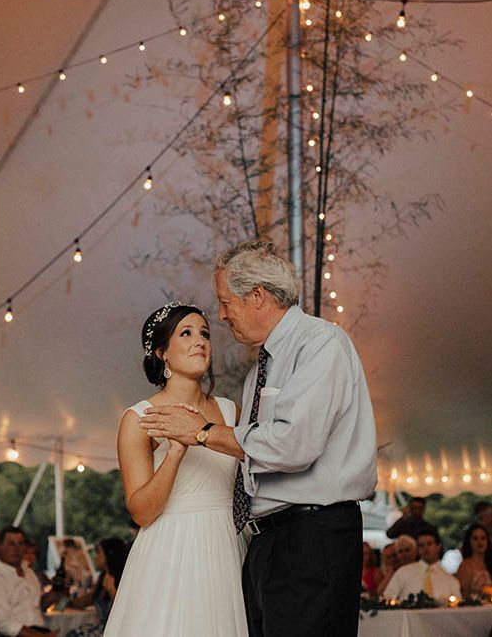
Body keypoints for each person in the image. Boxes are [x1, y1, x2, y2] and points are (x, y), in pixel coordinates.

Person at [140, 241, 377, 637]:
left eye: (225, 301)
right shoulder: (259, 370)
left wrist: (201, 433)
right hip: (267, 543)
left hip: (312, 537)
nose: (221, 315)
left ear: (257, 296)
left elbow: (292, 445)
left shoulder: (320, 344)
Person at [104, 302, 248, 636]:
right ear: (162, 352)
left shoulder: (230, 412)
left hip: (226, 547)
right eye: (186, 333)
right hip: (170, 552)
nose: (200, 341)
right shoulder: (139, 418)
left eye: (205, 334)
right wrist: (176, 452)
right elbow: (141, 512)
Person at [0, 526, 62, 637]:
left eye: (20, 544)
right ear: (0, 547)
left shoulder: (29, 573)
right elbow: (4, 624)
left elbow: (37, 606)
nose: (16, 549)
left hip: (38, 630)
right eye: (11, 544)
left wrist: (57, 591)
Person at [67, 538, 129, 637]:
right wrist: (66, 601)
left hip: (115, 630)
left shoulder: (123, 578)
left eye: (99, 552)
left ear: (109, 555)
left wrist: (111, 589)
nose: (95, 557)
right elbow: (87, 599)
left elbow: (125, 611)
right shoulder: (103, 578)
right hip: (103, 627)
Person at [383, 529, 460, 602]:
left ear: (438, 547)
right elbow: (388, 597)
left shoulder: (449, 578)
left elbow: (456, 604)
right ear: (417, 549)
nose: (425, 548)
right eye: (421, 545)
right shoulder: (404, 572)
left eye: (429, 544)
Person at [455, 524, 492, 596]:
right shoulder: (465, 565)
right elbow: (464, 594)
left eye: (483, 538)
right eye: (475, 538)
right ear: (469, 542)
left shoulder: (489, 563)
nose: (480, 542)